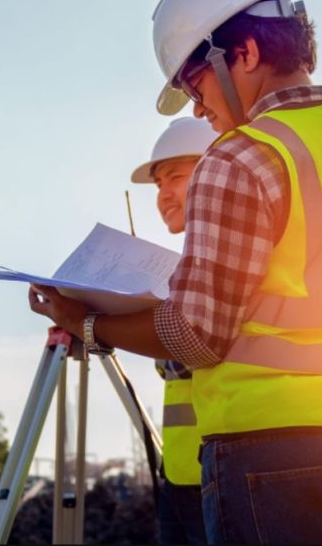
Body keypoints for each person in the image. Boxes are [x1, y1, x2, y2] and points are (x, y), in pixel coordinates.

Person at [27, 0, 322, 543]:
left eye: (195, 85)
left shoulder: (240, 157)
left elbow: (197, 334)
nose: (197, 109)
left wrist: (87, 322)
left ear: (242, 53)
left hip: (276, 460)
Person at [130, 116, 217, 545]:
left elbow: (192, 352)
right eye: (159, 184)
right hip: (180, 476)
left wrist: (97, 324)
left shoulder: (219, 263)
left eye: (175, 178)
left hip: (219, 479)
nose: (163, 195)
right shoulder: (180, 270)